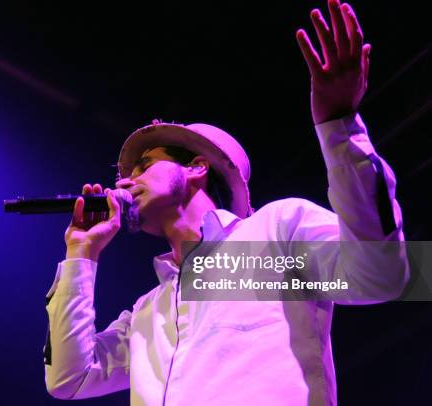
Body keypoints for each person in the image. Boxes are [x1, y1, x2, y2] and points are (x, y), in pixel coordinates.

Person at [42, 0, 409, 404]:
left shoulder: (276, 230)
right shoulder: (149, 311)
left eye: (144, 165)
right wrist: (81, 254)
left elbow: (381, 275)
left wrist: (339, 126)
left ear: (197, 168)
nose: (125, 182)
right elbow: (68, 378)